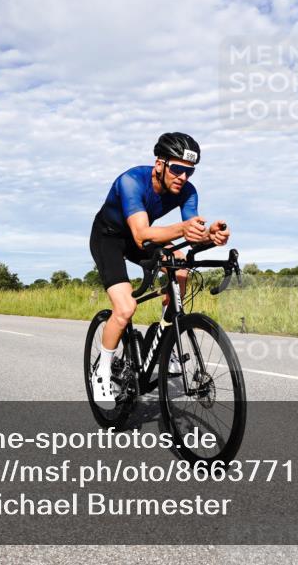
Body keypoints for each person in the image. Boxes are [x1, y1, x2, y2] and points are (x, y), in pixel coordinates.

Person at [88, 132, 230, 406]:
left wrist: (210, 235)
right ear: (159, 164)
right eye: (177, 169)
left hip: (144, 237)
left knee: (180, 269)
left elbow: (191, 232)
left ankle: (167, 338)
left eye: (190, 171)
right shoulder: (131, 181)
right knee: (126, 308)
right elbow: (142, 235)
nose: (183, 177)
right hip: (110, 239)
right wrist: (182, 229)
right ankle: (102, 371)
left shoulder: (187, 191)